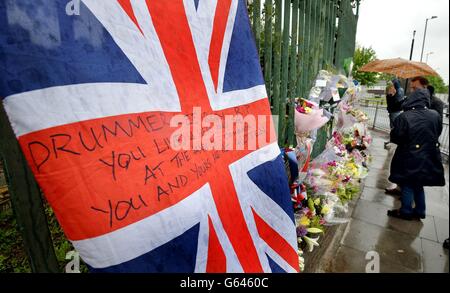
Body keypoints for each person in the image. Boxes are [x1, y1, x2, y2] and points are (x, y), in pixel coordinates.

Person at [387, 76, 446, 221]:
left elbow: (396, 136)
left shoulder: (405, 116)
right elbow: (437, 132)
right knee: (418, 183)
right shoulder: (434, 115)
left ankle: (406, 211)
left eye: (414, 89)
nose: (411, 91)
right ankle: (420, 210)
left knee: (408, 182)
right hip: (428, 154)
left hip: (409, 154)